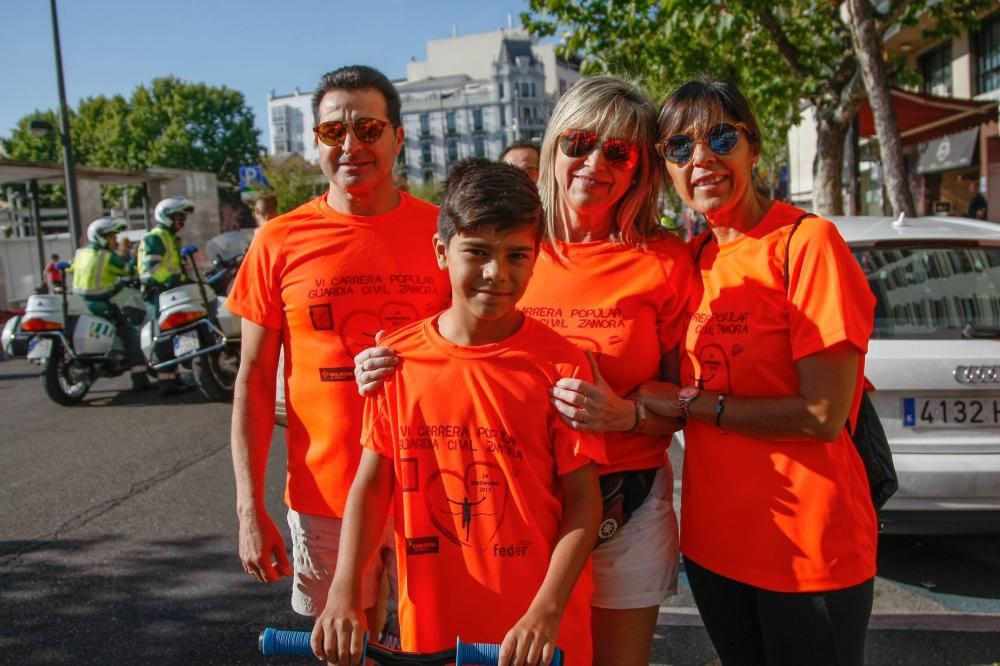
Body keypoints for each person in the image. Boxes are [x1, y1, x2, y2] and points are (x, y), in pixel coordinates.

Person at [355, 76, 693, 666]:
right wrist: (373, 362)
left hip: (622, 501)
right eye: (580, 142)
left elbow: (688, 395)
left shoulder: (664, 261)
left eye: (618, 151)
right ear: (555, 141)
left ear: (641, 167)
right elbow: (439, 341)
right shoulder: (511, 235)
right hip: (508, 508)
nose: (594, 163)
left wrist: (630, 413)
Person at [312, 159, 603, 666]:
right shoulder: (395, 361)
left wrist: (546, 609)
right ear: (441, 252)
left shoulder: (561, 363)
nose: (498, 273)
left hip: (539, 635)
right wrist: (343, 592)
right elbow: (371, 484)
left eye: (517, 255)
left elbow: (584, 503)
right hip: (434, 627)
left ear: (536, 259)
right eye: (478, 253)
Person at [640, 77, 877, 666]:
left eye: (720, 137)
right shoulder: (691, 261)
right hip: (715, 544)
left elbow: (821, 417)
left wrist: (696, 404)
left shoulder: (807, 244)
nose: (702, 159)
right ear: (664, 167)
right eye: (678, 147)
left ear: (753, 146)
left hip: (807, 546)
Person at [226, 65, 450, 634]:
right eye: (333, 132)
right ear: (317, 142)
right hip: (325, 500)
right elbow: (253, 381)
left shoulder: (444, 236)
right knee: (345, 647)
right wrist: (250, 510)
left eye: (369, 129)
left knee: (438, 644)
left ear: (398, 138)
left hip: (436, 494)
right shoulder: (278, 240)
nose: (351, 145)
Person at [68, 217, 151, 391]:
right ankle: (139, 376)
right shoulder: (107, 257)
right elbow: (129, 271)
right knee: (130, 332)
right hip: (102, 303)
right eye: (112, 236)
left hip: (80, 303)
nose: (115, 240)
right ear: (101, 237)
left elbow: (71, 269)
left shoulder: (80, 253)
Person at [138, 195, 195, 396]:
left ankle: (175, 376)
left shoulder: (170, 238)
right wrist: (170, 279)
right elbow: (152, 266)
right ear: (167, 217)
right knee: (162, 334)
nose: (182, 221)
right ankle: (166, 382)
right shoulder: (155, 237)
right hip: (158, 292)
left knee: (177, 331)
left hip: (170, 291)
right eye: (179, 217)